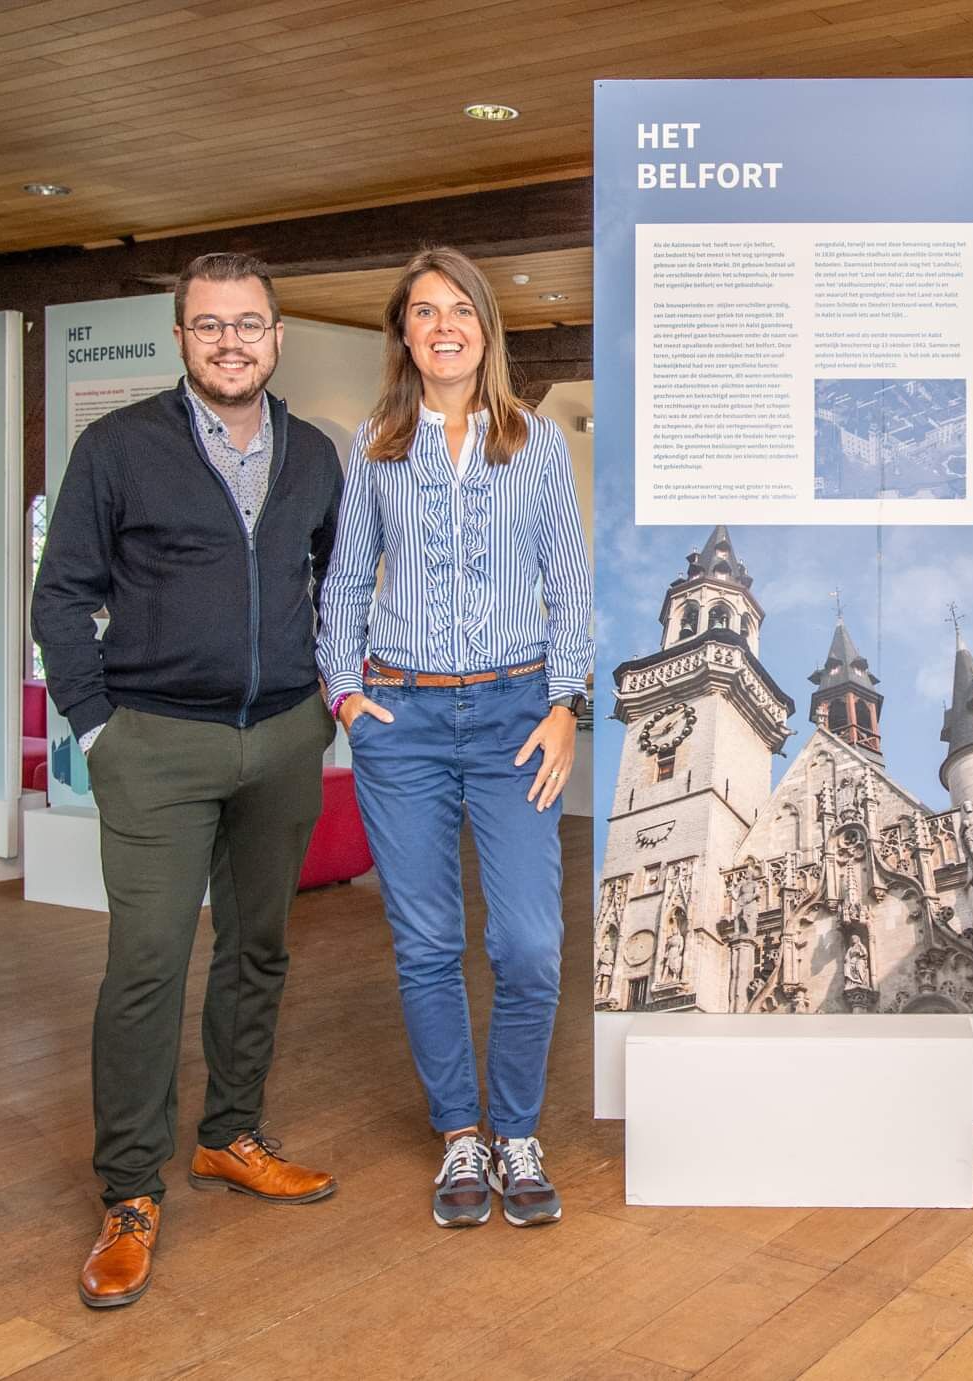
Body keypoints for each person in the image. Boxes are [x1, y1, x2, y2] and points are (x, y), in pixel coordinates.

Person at [32, 251, 343, 1309]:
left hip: (283, 738)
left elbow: (333, 579)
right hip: (155, 743)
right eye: (208, 325)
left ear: (277, 335)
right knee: (148, 963)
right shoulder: (119, 446)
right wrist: (95, 728)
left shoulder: (314, 454)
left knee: (257, 948)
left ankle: (230, 1135)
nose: (229, 342)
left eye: (248, 324)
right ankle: (129, 1190)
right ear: (180, 339)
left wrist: (325, 696)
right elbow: (60, 595)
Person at [318, 245, 591, 1231]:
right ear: (404, 332)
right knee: (427, 938)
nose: (443, 327)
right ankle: (460, 1134)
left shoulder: (536, 443)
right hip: (403, 722)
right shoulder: (375, 443)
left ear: (485, 327)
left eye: (460, 309)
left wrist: (563, 704)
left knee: (528, 942)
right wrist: (346, 697)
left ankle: (516, 1129)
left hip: (518, 717)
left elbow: (570, 580)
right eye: (424, 311)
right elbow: (346, 578)